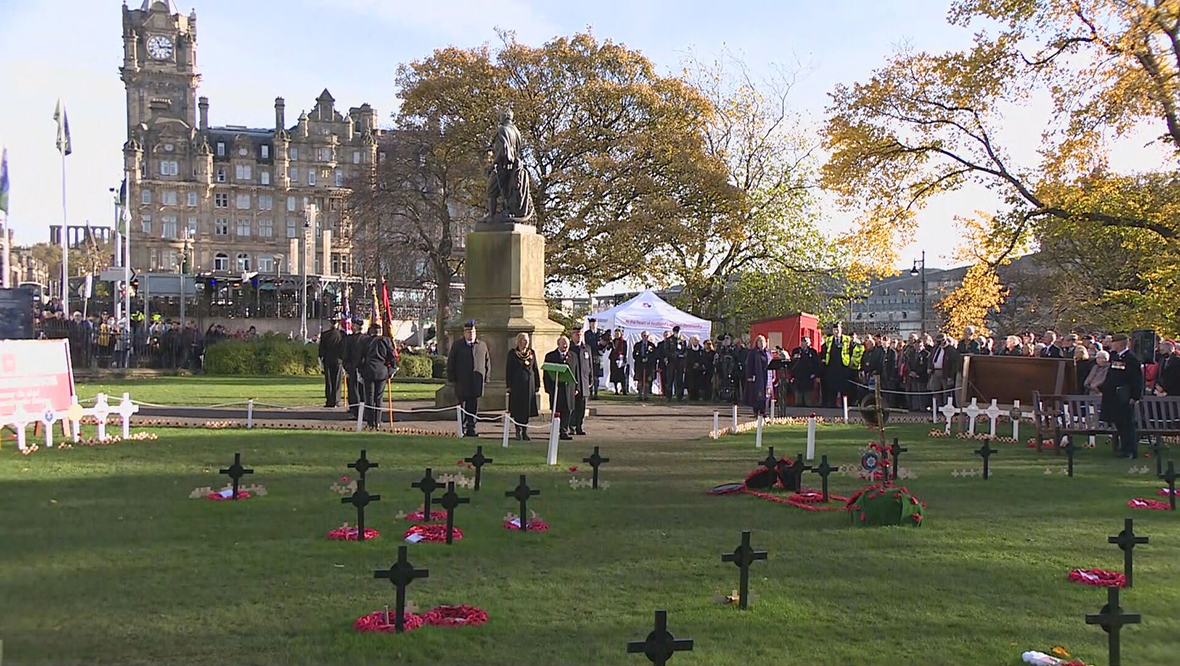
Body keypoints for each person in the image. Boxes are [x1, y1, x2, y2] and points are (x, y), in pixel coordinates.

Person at [1102, 333, 1143, 458]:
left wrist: (1135, 396)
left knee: (1127, 425)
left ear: (1120, 343)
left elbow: (1136, 379)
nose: (1112, 344)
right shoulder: (1116, 357)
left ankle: (1130, 451)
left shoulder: (1130, 359)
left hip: (1124, 397)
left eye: (1114, 342)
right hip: (1114, 397)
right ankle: (1124, 448)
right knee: (1120, 424)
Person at [447, 320, 490, 437]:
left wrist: (486, 378)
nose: (471, 334)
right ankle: (462, 427)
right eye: (468, 332)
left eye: (473, 332)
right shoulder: (458, 345)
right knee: (462, 406)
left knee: (474, 406)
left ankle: (472, 428)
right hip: (462, 382)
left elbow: (487, 363)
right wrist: (452, 378)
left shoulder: (482, 345)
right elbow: (451, 362)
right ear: (464, 333)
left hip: (476, 382)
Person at [360, 324, 398, 430]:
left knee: (369, 397)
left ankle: (370, 422)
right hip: (381, 371)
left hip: (368, 371)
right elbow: (392, 356)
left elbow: (361, 357)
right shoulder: (386, 341)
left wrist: (360, 370)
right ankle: (377, 421)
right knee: (378, 397)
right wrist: (392, 369)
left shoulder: (365, 341)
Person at [505, 331, 540, 440]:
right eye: (524, 340)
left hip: (529, 385)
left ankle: (525, 430)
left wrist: (537, 384)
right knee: (517, 409)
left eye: (527, 341)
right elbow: (508, 370)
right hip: (516, 385)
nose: (526, 343)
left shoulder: (531, 353)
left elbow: (535, 369)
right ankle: (518, 430)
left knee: (527, 409)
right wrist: (509, 385)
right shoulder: (513, 353)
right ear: (519, 341)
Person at [543, 335, 576, 440]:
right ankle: (554, 431)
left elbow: (576, 372)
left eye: (567, 344)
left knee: (567, 410)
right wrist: (548, 389)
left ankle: (564, 431)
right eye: (563, 344)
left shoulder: (573, 356)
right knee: (556, 410)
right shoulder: (550, 356)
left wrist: (577, 388)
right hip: (556, 389)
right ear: (558, 344)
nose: (565, 346)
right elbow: (546, 374)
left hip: (569, 389)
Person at [568, 328, 593, 435]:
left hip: (584, 380)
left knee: (582, 407)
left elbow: (589, 364)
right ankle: (571, 426)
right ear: (572, 335)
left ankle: (579, 426)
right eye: (577, 334)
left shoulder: (586, 348)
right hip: (573, 381)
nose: (579, 336)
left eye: (580, 334)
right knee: (572, 406)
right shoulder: (570, 348)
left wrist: (591, 378)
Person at [318, 318, 346, 408]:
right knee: (337, 381)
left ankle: (329, 400)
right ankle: (336, 400)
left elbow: (322, 349)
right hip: (338, 360)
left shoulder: (325, 334)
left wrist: (321, 359)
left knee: (329, 381)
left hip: (328, 359)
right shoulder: (342, 335)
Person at [926, 333, 961, 404]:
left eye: (940, 341)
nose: (938, 343)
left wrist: (950, 375)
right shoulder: (935, 348)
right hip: (935, 371)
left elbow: (954, 363)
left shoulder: (951, 350)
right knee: (935, 390)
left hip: (945, 372)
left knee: (946, 391)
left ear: (944, 340)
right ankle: (937, 407)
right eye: (937, 341)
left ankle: (946, 407)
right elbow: (931, 358)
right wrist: (929, 367)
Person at [342, 317, 365, 417]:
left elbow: (345, 355)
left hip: (356, 367)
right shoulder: (366, 339)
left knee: (355, 390)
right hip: (357, 368)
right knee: (357, 390)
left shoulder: (350, 340)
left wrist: (346, 366)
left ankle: (357, 411)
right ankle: (358, 410)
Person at [744, 335, 772, 417]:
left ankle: (763, 411)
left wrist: (773, 376)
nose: (762, 343)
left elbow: (771, 364)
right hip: (757, 376)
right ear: (756, 343)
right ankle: (756, 411)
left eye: (763, 342)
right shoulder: (753, 353)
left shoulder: (768, 352)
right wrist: (749, 375)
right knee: (757, 394)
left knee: (767, 394)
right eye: (760, 342)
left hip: (767, 376)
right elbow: (749, 364)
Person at [789, 336, 821, 407]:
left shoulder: (813, 352)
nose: (804, 344)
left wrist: (815, 374)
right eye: (803, 342)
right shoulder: (796, 351)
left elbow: (816, 364)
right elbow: (791, 364)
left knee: (808, 400)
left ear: (809, 343)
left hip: (808, 377)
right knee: (798, 400)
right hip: (798, 377)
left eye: (806, 342)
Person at [663, 326, 688, 401]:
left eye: (678, 332)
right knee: (670, 379)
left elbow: (686, 350)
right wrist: (673, 355)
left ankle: (679, 396)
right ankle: (668, 396)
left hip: (680, 362)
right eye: (676, 332)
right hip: (672, 362)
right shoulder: (669, 340)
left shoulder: (683, 340)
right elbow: (666, 350)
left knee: (679, 380)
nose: (677, 333)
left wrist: (683, 355)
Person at [632, 331, 657, 401]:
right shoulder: (637, 345)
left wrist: (648, 359)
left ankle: (646, 395)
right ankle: (640, 395)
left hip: (648, 366)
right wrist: (641, 359)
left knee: (647, 381)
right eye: (644, 335)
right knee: (640, 380)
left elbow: (654, 355)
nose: (645, 337)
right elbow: (634, 355)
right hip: (639, 365)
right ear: (641, 336)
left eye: (647, 336)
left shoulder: (652, 345)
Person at [584, 318, 604, 400]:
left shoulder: (600, 332)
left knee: (597, 375)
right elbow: (589, 343)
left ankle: (596, 393)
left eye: (595, 323)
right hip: (591, 354)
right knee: (590, 374)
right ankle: (590, 392)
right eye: (592, 323)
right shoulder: (587, 333)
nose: (593, 325)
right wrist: (597, 343)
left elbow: (603, 345)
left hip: (599, 355)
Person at [685, 335, 707, 401]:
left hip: (698, 370)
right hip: (690, 369)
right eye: (694, 340)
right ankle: (691, 397)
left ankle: (697, 397)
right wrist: (692, 364)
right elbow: (687, 359)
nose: (696, 341)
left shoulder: (701, 349)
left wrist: (699, 364)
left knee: (697, 383)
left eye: (697, 340)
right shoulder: (688, 350)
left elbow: (703, 358)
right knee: (691, 383)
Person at [609, 329, 630, 395]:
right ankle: (616, 390)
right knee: (615, 375)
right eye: (616, 334)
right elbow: (608, 348)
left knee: (622, 376)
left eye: (618, 334)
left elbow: (625, 351)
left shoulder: (624, 342)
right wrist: (610, 342)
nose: (617, 335)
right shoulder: (613, 341)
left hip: (621, 359)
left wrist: (624, 359)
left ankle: (624, 390)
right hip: (614, 359)